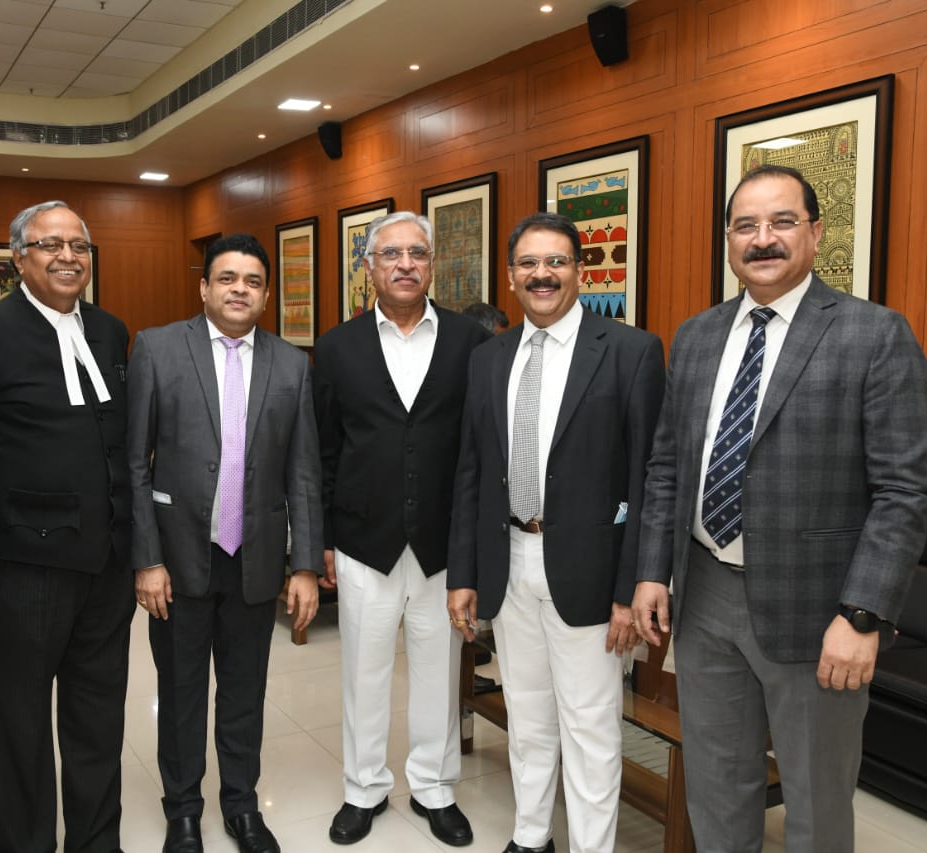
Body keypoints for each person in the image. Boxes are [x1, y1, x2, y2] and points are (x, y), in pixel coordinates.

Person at [632, 165, 927, 852]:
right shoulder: (697, 336)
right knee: (716, 785)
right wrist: (653, 570)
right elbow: (667, 465)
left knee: (816, 800)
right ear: (728, 241)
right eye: (745, 225)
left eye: (781, 222)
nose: (762, 238)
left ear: (816, 232)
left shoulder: (873, 334)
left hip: (819, 608)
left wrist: (862, 614)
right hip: (705, 593)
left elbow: (905, 490)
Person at [447, 212, 665, 853]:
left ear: (579, 270)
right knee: (527, 713)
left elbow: (650, 480)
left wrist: (630, 589)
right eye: (528, 263)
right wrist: (464, 574)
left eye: (556, 262)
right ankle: (531, 835)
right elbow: (471, 472)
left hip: (591, 573)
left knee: (590, 724)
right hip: (509, 560)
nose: (542, 274)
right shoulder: (488, 358)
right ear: (511, 274)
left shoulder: (630, 351)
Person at [0, 201, 133, 852]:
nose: (67, 256)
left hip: (105, 565)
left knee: (98, 719)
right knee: (18, 728)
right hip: (20, 572)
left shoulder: (109, 330)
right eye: (50, 244)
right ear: (18, 257)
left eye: (78, 245)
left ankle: (97, 842)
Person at [128, 233, 322, 853]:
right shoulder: (157, 348)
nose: (241, 289)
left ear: (265, 295)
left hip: (255, 559)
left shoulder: (291, 364)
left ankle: (241, 805)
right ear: (205, 287)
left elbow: (304, 472)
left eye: (253, 281)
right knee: (181, 691)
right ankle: (183, 810)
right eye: (228, 278)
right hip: (177, 559)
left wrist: (304, 565)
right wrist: (147, 558)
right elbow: (133, 464)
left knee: (245, 693)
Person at [313, 211, 488, 847]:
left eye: (417, 253)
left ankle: (435, 788)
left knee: (439, 672)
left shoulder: (472, 342)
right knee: (363, 673)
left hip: (443, 542)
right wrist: (323, 539)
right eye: (391, 254)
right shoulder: (337, 347)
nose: (405, 264)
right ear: (369, 267)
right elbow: (324, 449)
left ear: (432, 263)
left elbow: (478, 448)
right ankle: (363, 789)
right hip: (365, 540)